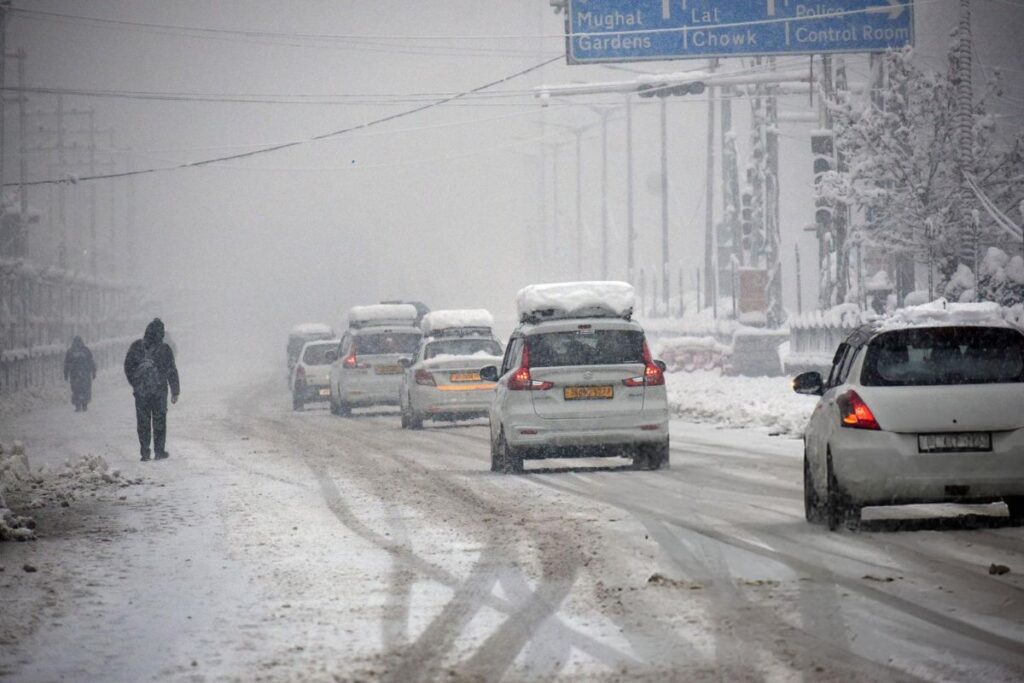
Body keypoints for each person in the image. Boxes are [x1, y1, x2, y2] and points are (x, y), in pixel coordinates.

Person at [124, 319, 180, 461]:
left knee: (143, 421)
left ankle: (145, 451)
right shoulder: (165, 349)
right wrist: (175, 390)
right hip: (159, 391)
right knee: (159, 420)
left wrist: (136, 383)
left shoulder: (137, 347)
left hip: (141, 392)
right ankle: (159, 451)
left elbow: (128, 366)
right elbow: (172, 371)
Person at [64, 336, 97, 412]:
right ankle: (84, 404)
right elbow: (91, 361)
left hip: (74, 374)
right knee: (85, 389)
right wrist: (93, 371)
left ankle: (77, 405)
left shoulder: (70, 351)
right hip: (85, 373)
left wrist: (66, 373)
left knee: (76, 389)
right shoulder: (86, 350)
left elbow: (66, 364)